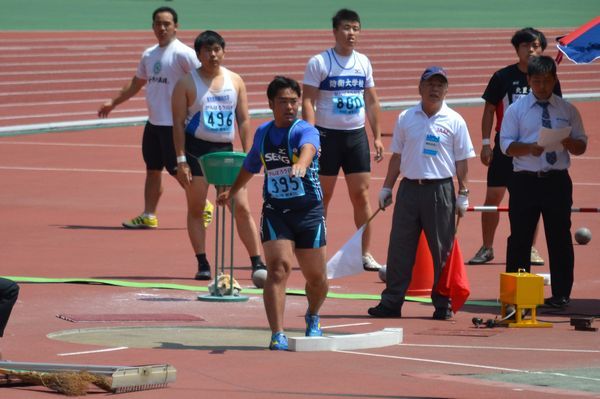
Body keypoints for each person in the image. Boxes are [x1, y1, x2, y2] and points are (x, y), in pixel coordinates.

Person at [218, 76, 328, 350]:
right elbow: (251, 165)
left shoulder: (305, 130)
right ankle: (277, 333)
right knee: (278, 269)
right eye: (283, 102)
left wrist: (302, 164)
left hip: (309, 213)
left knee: (317, 278)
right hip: (277, 211)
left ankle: (313, 314)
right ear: (271, 104)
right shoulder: (263, 134)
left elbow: (309, 148)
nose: (290, 107)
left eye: (294, 102)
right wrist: (231, 191)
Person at [368, 67, 475, 319]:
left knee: (442, 250)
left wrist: (464, 192)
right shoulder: (407, 117)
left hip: (439, 190)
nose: (435, 89)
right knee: (399, 248)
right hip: (408, 190)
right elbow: (397, 155)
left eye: (440, 85)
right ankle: (392, 302)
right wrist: (386, 187)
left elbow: (462, 161)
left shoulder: (455, 120)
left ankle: (443, 304)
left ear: (447, 90)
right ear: (420, 88)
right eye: (430, 84)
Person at [98, 6, 212, 229]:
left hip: (174, 125)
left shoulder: (183, 54)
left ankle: (204, 204)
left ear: (176, 26)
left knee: (178, 171)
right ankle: (149, 215)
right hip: (154, 123)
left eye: (167, 24)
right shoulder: (149, 54)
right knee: (152, 169)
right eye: (158, 24)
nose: (162, 28)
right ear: (152, 26)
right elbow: (136, 83)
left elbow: (205, 76)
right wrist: (113, 102)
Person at [172, 30, 265, 281]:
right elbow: (178, 124)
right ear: (199, 54)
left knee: (241, 207)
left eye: (217, 49)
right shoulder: (187, 83)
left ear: (223, 51)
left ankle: (257, 261)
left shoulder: (235, 81)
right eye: (207, 50)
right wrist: (181, 161)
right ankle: (202, 262)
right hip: (196, 151)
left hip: (225, 151)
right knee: (197, 207)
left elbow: (244, 119)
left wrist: (249, 154)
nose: (213, 55)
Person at [468, 27, 562, 266]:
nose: (530, 50)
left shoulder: (549, 78)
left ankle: (530, 249)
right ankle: (487, 247)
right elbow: (489, 109)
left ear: (542, 49)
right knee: (493, 198)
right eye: (525, 46)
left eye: (535, 46)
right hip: (506, 147)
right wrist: (487, 143)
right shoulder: (502, 77)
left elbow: (558, 108)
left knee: (533, 199)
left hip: (536, 149)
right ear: (517, 49)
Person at [500, 55, 587, 308]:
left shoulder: (567, 109)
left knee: (559, 237)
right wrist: (529, 148)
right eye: (537, 81)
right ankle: (518, 296)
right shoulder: (516, 110)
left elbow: (582, 144)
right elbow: (505, 146)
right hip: (525, 181)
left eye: (547, 81)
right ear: (529, 80)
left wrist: (572, 144)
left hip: (557, 181)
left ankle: (561, 294)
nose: (542, 86)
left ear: (555, 80)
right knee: (520, 239)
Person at [302, 8, 384, 272]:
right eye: (347, 28)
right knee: (322, 196)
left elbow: (371, 101)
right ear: (335, 31)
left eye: (356, 28)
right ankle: (317, 251)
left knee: (361, 195)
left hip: (355, 137)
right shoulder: (320, 62)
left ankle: (365, 254)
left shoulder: (364, 62)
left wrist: (378, 136)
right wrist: (310, 138)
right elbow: (308, 101)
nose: (352, 33)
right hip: (327, 137)